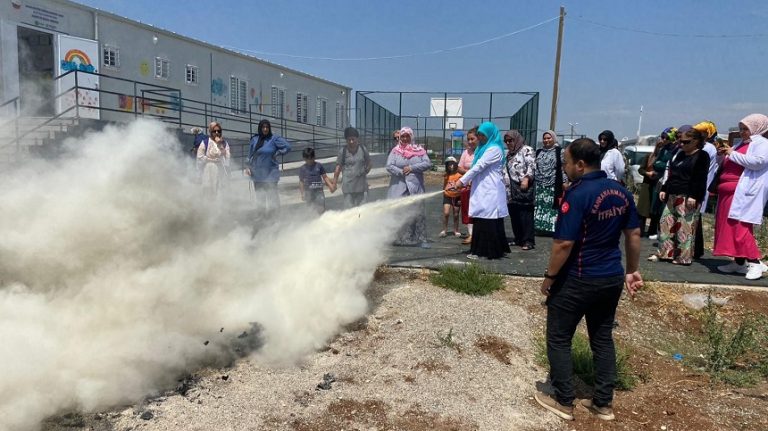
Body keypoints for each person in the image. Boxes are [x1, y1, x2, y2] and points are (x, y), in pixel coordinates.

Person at [534, 138, 642, 422]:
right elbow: (633, 234)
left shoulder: (577, 194)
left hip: (579, 278)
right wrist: (632, 270)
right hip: (611, 277)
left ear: (580, 165)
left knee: (559, 338)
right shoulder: (621, 192)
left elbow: (563, 244)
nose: (564, 167)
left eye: (567, 162)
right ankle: (603, 403)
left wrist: (549, 277)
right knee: (602, 338)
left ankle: (564, 400)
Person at [713, 114, 768, 280]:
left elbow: (758, 162)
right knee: (727, 226)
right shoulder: (739, 145)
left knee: (740, 227)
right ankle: (738, 262)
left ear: (757, 128)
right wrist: (722, 155)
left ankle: (755, 262)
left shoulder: (762, 144)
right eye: (741, 129)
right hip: (728, 192)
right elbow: (727, 164)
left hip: (742, 193)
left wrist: (732, 153)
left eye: (746, 129)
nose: (742, 132)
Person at [447, 122, 510, 260]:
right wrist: (465, 182)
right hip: (482, 189)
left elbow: (478, 167)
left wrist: (461, 181)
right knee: (481, 219)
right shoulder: (482, 149)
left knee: (487, 220)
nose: (480, 137)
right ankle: (483, 250)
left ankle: (486, 251)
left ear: (490, 135)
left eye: (483, 135)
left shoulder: (494, 149)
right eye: (479, 135)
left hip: (490, 190)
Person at [649, 127, 710, 265]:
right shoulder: (680, 154)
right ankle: (666, 253)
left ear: (695, 141)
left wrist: (694, 195)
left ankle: (683, 257)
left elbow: (700, 178)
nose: (682, 144)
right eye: (681, 141)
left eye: (686, 142)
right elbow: (672, 173)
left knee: (685, 227)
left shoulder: (702, 155)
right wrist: (664, 188)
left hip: (688, 195)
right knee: (665, 223)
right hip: (672, 193)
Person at [386, 126, 432, 247]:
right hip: (399, 187)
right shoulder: (395, 151)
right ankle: (400, 238)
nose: (405, 139)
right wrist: (401, 172)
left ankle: (420, 239)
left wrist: (412, 168)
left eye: (407, 136)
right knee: (400, 212)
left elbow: (427, 163)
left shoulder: (419, 150)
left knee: (417, 212)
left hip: (416, 187)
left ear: (411, 136)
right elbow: (389, 166)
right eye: (403, 136)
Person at [244, 119, 291, 212]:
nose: (265, 129)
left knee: (272, 197)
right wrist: (247, 167)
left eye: (267, 127)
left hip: (271, 174)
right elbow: (249, 155)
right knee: (260, 198)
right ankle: (261, 217)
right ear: (260, 128)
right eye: (263, 127)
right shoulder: (255, 139)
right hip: (257, 174)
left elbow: (288, 147)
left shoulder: (274, 139)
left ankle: (274, 217)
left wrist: (278, 152)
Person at [503, 129, 536, 250]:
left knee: (525, 214)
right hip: (511, 189)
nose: (508, 143)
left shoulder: (526, 150)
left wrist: (526, 179)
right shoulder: (509, 154)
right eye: (506, 141)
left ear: (516, 139)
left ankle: (528, 240)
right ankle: (518, 238)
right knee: (514, 214)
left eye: (510, 140)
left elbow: (531, 165)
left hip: (523, 186)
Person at [692, 120, 720, 259]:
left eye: (702, 132)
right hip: (700, 184)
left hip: (701, 185)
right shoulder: (706, 147)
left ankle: (696, 249)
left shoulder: (707, 148)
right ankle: (695, 249)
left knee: (695, 218)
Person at [647, 127, 677, 240]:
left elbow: (668, 165)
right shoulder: (663, 148)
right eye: (662, 137)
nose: (663, 139)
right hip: (659, 181)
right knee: (655, 207)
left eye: (666, 137)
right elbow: (654, 164)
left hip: (667, 181)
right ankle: (654, 231)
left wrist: (660, 164)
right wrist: (657, 150)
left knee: (663, 208)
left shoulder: (674, 149)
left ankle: (663, 232)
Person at [534, 130, 566, 234]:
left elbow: (563, 168)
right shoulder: (539, 151)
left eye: (549, 138)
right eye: (544, 138)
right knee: (540, 205)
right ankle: (540, 228)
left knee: (552, 205)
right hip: (539, 184)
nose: (546, 140)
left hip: (553, 183)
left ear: (554, 138)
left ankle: (551, 229)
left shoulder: (560, 151)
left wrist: (565, 181)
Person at [333, 126, 371, 208]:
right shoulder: (342, 151)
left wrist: (365, 171)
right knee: (350, 211)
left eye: (353, 139)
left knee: (362, 211)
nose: (351, 141)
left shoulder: (363, 149)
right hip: (348, 189)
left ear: (357, 139)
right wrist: (334, 183)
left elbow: (369, 163)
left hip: (361, 187)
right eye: (349, 139)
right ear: (346, 140)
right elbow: (337, 169)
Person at [196, 121, 231, 198]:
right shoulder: (205, 142)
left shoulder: (224, 143)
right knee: (208, 191)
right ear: (210, 132)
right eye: (214, 131)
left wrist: (220, 144)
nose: (217, 133)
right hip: (208, 169)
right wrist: (211, 160)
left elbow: (227, 157)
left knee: (219, 191)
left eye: (219, 131)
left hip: (221, 169)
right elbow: (200, 157)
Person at [299, 147, 336, 214]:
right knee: (310, 210)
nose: (310, 160)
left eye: (311, 158)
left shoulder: (319, 166)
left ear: (314, 157)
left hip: (319, 192)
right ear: (304, 159)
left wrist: (331, 186)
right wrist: (302, 193)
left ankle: (321, 218)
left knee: (321, 208)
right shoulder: (303, 168)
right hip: (308, 192)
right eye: (308, 159)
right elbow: (301, 182)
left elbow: (325, 177)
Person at [458, 129, 478, 244]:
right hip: (466, 187)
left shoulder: (483, 152)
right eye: (468, 139)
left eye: (472, 139)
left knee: (478, 210)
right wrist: (468, 174)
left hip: (478, 187)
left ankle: (478, 234)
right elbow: (459, 167)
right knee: (467, 210)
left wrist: (472, 175)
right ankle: (471, 234)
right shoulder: (466, 152)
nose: (470, 142)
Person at [440, 156, 463, 238]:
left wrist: (460, 196)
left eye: (452, 164)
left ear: (456, 165)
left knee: (456, 214)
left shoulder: (459, 175)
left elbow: (462, 186)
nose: (451, 166)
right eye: (449, 164)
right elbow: (444, 186)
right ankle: (444, 230)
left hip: (457, 197)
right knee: (446, 213)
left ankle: (456, 230)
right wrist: (444, 191)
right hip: (447, 196)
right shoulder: (446, 175)